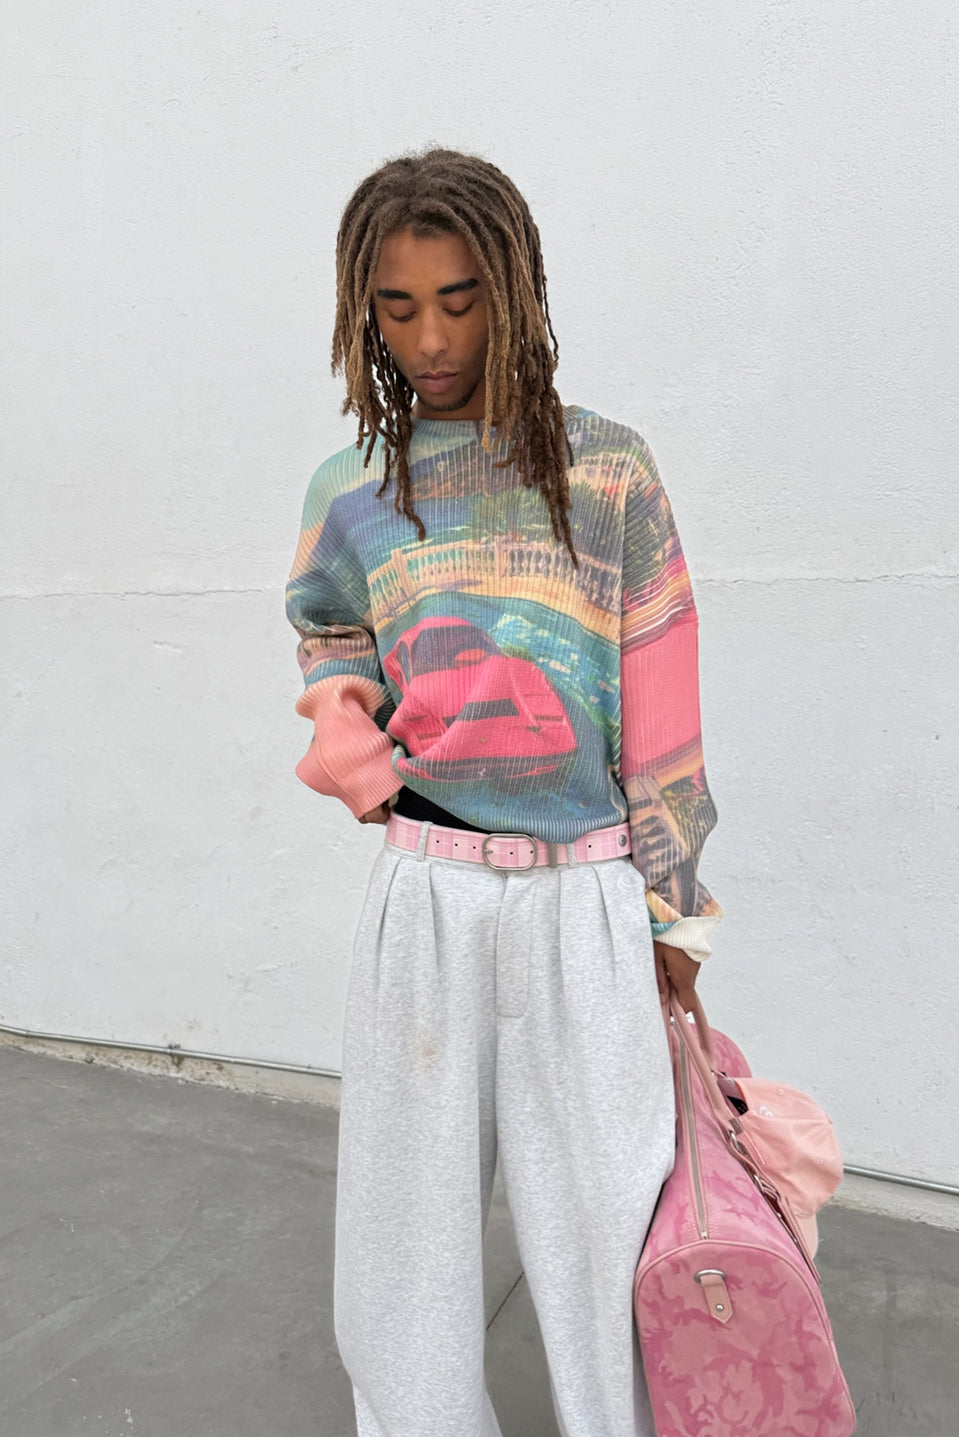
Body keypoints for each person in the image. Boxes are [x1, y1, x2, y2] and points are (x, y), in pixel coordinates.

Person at [285, 147, 723, 1437]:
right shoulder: (353, 491)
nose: (429, 339)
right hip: (426, 897)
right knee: (402, 1249)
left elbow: (664, 702)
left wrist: (674, 915)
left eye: (459, 300)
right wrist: (361, 764)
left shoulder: (609, 470)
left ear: (516, 293)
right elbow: (326, 631)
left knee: (607, 1238)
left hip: (586, 897)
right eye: (396, 307)